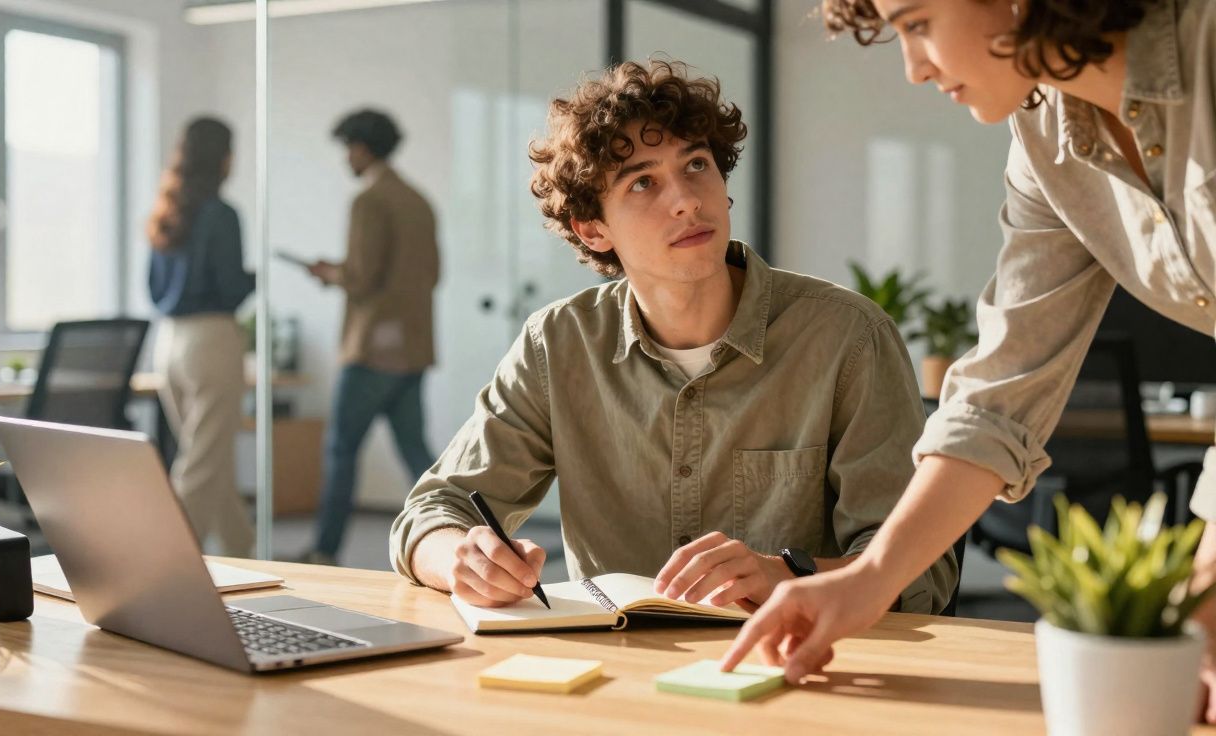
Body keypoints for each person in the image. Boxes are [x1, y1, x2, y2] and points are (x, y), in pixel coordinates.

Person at [721, 1, 1216, 719]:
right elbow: (999, 393)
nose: (914, 67)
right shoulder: (1047, 143)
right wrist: (869, 579)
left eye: (918, 23)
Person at [388, 60, 956, 614]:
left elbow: (920, 569)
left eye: (697, 165)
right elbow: (432, 511)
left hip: (803, 671)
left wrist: (782, 575)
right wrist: (461, 558)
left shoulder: (846, 337)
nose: (686, 199)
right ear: (594, 228)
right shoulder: (557, 344)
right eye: (642, 183)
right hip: (618, 676)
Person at [298, 109, 440, 565]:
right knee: (417, 451)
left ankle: (324, 549)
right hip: (413, 347)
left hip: (372, 351)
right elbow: (432, 274)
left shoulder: (370, 201)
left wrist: (328, 272)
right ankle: (469, 533)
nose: (346, 159)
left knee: (341, 449)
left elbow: (360, 279)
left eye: (348, 148)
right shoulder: (418, 200)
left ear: (362, 147)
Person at [147, 116, 255, 557]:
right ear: (224, 159)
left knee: (211, 462)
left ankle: (244, 555)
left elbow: (153, 290)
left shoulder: (166, 214)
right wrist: (254, 278)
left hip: (168, 345)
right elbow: (230, 288)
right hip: (211, 342)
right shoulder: (222, 214)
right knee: (201, 465)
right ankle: (162, 569)